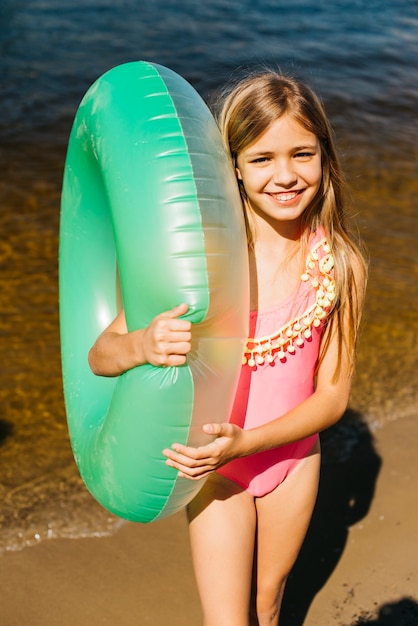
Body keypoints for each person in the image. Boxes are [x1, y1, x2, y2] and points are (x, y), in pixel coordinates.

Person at [88, 68, 367, 626]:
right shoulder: (202, 263)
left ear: (324, 157)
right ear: (232, 166)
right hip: (217, 471)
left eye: (301, 154)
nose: (285, 175)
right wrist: (143, 344)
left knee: (268, 604)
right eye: (262, 158)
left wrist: (252, 441)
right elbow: (101, 355)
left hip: (290, 458)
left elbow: (332, 398)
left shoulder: (338, 265)